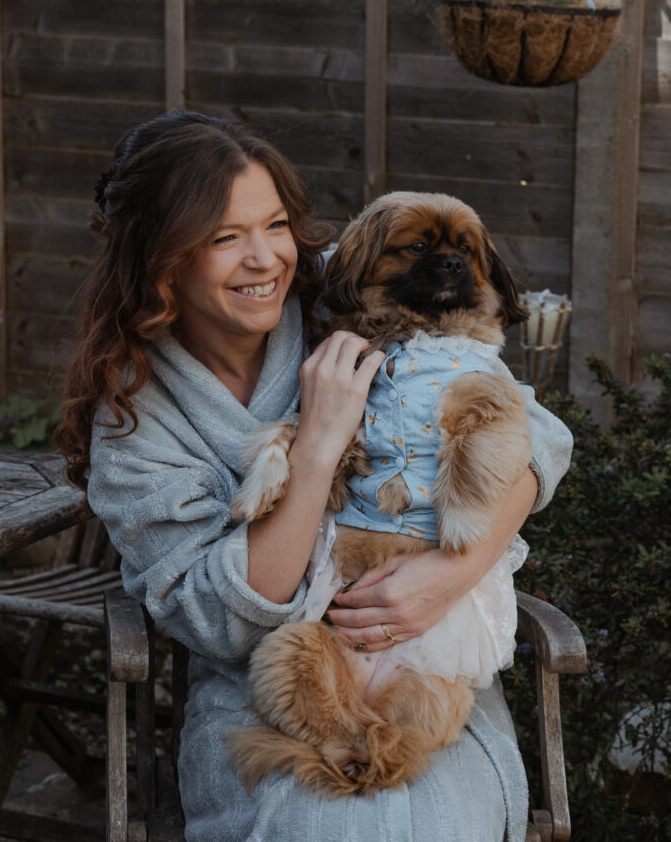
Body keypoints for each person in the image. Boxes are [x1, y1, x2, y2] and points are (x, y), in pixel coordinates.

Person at [56, 110, 573, 842]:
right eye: (223, 238)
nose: (265, 258)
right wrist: (318, 448)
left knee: (439, 821)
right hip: (271, 685)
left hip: (432, 653)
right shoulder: (136, 421)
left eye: (274, 225)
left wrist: (456, 571)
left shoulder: (350, 291)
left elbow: (536, 433)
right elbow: (220, 621)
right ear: (159, 257)